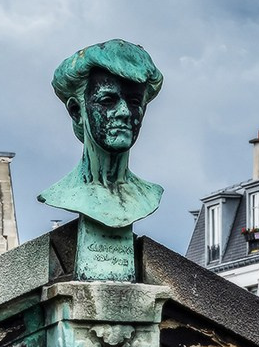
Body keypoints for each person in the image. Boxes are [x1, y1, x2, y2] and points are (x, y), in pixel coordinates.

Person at [38, 39, 164, 229]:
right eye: (107, 100)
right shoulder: (64, 194)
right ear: (76, 111)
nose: (124, 112)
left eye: (134, 102)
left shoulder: (150, 195)